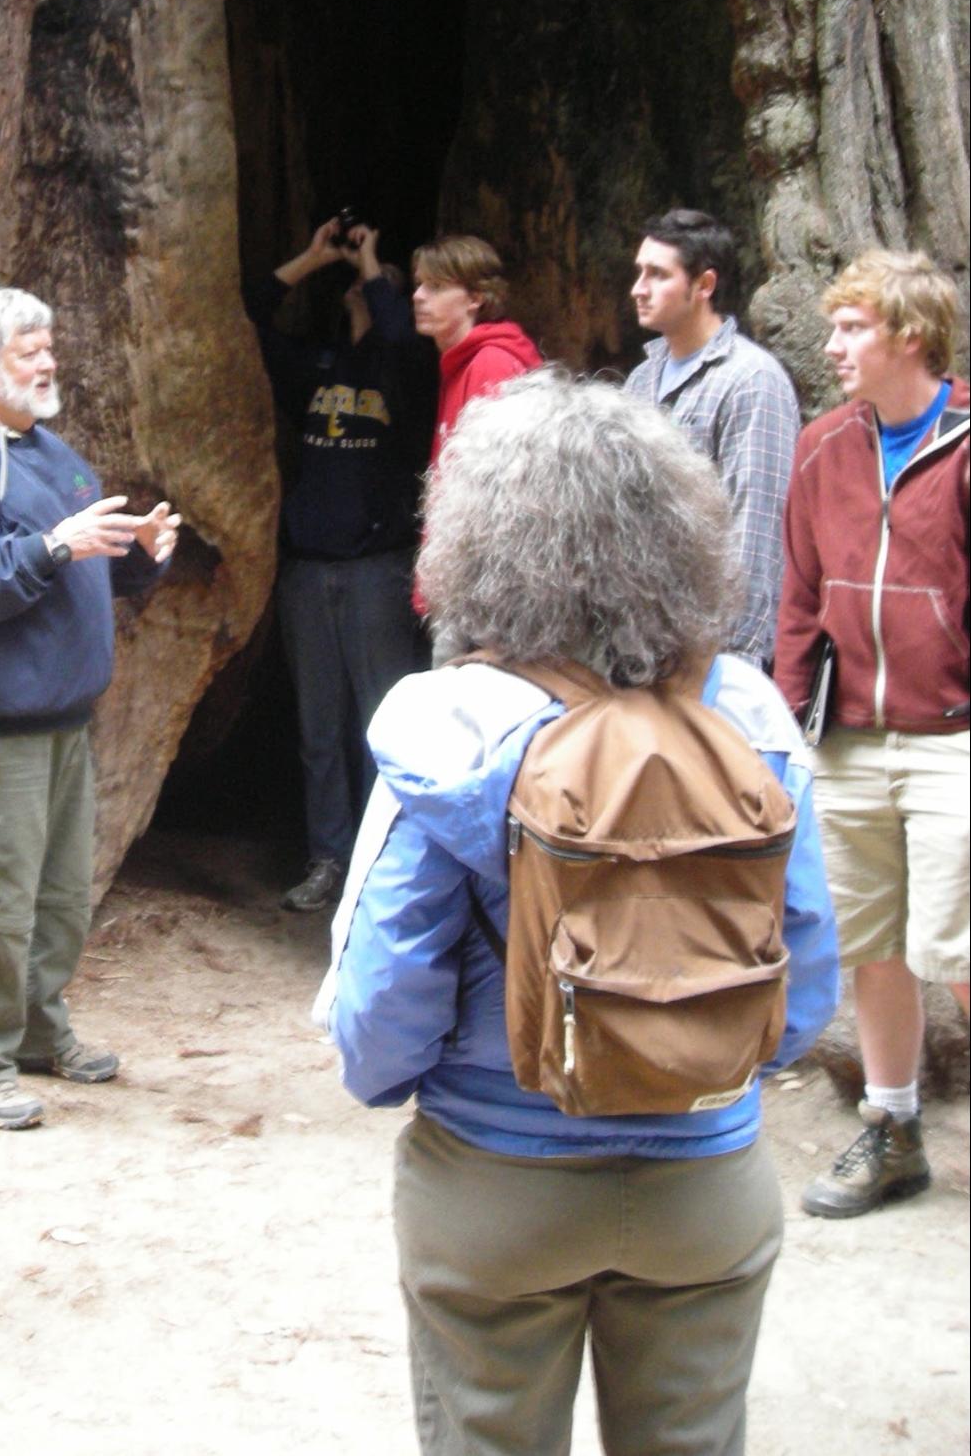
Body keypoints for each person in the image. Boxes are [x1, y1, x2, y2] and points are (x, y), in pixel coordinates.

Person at [321, 370, 838, 1456]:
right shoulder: (748, 721)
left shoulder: (449, 731)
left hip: (498, 1186)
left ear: (473, 545)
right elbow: (799, 993)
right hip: (706, 1182)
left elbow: (382, 1011)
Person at [0, 287, 179, 1130]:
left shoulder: (52, 451)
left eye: (49, 345)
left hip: (65, 721)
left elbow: (80, 565)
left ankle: (35, 1029)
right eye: (29, 349)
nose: (49, 361)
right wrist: (54, 543)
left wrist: (141, 557)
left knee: (58, 898)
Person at [773, 249, 968, 1218]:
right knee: (874, 943)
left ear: (912, 337)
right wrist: (791, 718)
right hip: (846, 737)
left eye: (853, 327)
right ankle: (893, 1129)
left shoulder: (967, 442)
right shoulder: (823, 446)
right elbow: (800, 596)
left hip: (953, 735)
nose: (834, 344)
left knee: (965, 948)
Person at [245, 216, 431, 912]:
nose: (364, 286)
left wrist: (375, 261)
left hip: (377, 568)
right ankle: (329, 857)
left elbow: (401, 338)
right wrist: (315, 256)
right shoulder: (315, 368)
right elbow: (249, 316)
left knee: (379, 726)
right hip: (308, 570)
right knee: (319, 727)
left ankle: (388, 864)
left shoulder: (406, 370)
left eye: (381, 286)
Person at [625, 207, 800, 665]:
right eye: (639, 272)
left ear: (704, 285)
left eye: (657, 275)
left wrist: (737, 662)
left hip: (713, 651)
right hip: (641, 640)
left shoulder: (752, 379)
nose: (638, 289)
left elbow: (757, 530)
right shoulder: (641, 381)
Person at [410, 233, 542, 470]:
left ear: (475, 298)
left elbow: (495, 477)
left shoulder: (492, 362)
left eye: (435, 286)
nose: (417, 296)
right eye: (419, 283)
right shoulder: (462, 358)